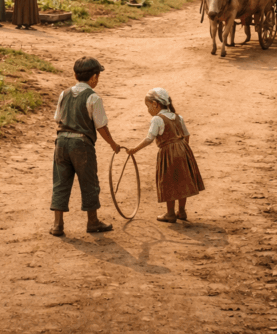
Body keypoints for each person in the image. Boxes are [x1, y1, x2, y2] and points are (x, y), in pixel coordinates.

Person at [50, 57, 122, 236]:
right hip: (82, 145)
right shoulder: (93, 97)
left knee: (60, 182)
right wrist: (113, 144)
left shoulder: (64, 94)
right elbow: (101, 126)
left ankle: (58, 225)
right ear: (94, 77)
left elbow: (58, 118)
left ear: (75, 75)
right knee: (89, 182)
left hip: (61, 143)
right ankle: (92, 221)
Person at [126, 88, 205, 223]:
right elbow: (186, 135)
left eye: (148, 106)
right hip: (183, 150)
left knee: (169, 181)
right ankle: (181, 211)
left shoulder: (157, 119)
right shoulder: (178, 117)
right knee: (182, 180)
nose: (148, 110)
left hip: (168, 153)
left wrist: (135, 149)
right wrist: (182, 149)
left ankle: (170, 213)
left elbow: (149, 139)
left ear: (155, 104)